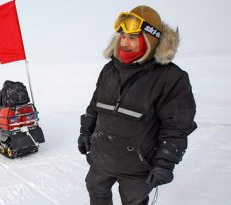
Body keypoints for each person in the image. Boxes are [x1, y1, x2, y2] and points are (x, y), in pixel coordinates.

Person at [77, 5, 197, 205]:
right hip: (101, 158)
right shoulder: (110, 69)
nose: (124, 43)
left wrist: (164, 163)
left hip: (138, 167)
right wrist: (85, 131)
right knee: (96, 193)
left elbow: (176, 128)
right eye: (122, 36)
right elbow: (95, 107)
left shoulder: (171, 78)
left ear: (150, 41)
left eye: (132, 38)